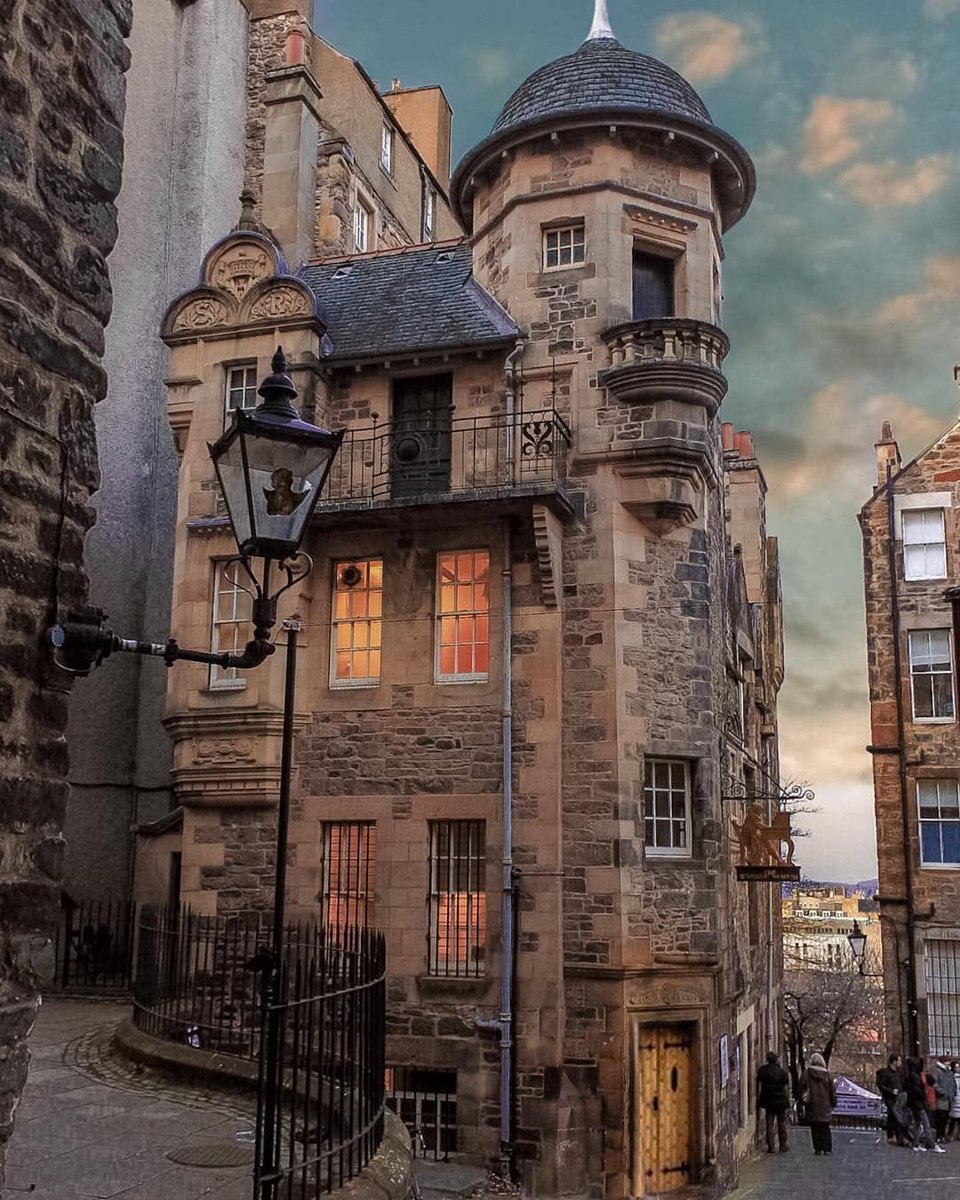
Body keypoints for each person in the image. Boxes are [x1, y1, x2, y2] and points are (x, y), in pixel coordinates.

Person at [799, 1053, 836, 1156]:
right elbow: (832, 1091)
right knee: (825, 1127)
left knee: (815, 1128)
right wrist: (833, 1102)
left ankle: (818, 1148)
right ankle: (827, 1148)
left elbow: (801, 1087)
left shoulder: (806, 1073)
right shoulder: (827, 1075)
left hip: (812, 1104)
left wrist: (802, 1100)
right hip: (825, 1104)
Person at [904, 1056, 943, 1153]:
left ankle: (916, 1144)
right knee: (926, 1123)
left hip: (914, 1102)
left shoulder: (910, 1075)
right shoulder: (915, 1076)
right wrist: (924, 1096)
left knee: (917, 1123)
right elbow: (917, 1090)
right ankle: (931, 1144)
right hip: (918, 1102)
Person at [756, 1051, 791, 1153]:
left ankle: (771, 1146)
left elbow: (759, 1080)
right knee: (781, 1123)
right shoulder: (781, 1071)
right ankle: (782, 1144)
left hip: (768, 1100)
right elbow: (785, 1082)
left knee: (769, 1122)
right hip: (780, 1100)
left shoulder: (763, 1070)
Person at [876, 1053, 906, 1145]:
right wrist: (891, 1091)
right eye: (899, 1060)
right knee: (893, 1115)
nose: (900, 1063)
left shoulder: (899, 1073)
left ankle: (897, 1136)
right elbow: (881, 1085)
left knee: (895, 1116)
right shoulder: (886, 1073)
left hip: (899, 1098)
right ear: (894, 1061)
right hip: (890, 1098)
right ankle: (891, 1136)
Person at [931, 1056, 957, 1142]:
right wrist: (942, 1092)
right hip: (941, 1099)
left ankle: (942, 1135)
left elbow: (953, 1083)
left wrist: (953, 1092)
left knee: (945, 1118)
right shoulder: (937, 1071)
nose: (949, 1063)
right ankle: (939, 1136)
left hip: (948, 1098)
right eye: (947, 1061)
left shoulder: (949, 1072)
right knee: (940, 1118)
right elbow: (935, 1084)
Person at [949, 1060, 960, 1142]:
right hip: (954, 1098)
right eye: (956, 1067)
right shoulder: (950, 1076)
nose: (958, 1068)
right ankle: (950, 1134)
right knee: (953, 1118)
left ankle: (958, 1134)